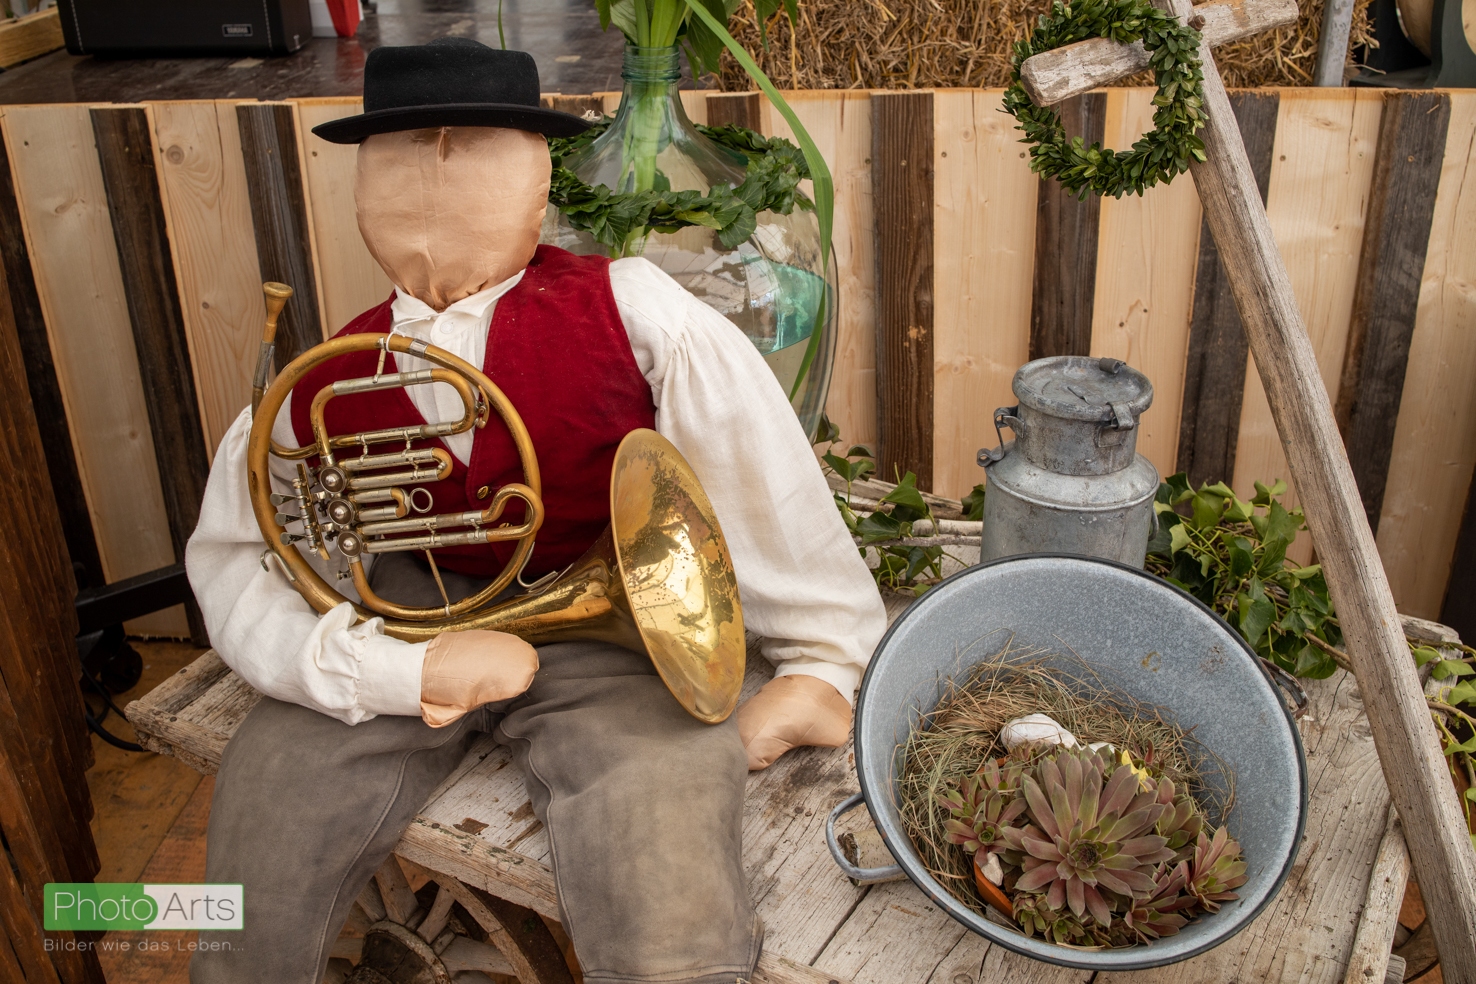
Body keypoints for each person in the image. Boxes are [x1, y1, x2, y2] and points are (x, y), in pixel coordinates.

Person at [185, 37, 886, 984]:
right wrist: (395, 668)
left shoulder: (634, 308)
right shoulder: (320, 378)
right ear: (365, 186)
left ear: (536, 173)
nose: (438, 180)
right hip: (402, 610)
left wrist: (821, 655)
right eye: (406, 156)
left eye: (472, 152)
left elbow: (757, 474)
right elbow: (236, 560)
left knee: (662, 851)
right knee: (264, 812)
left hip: (612, 611)